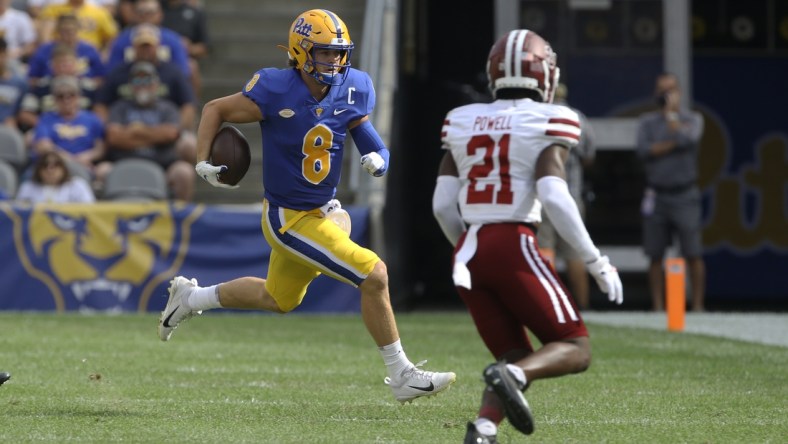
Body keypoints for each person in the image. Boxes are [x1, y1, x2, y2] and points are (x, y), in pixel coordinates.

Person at [157, 9, 456, 404]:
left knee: (279, 298)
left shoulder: (353, 88)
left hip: (319, 208)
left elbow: (371, 139)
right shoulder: (275, 88)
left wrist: (379, 160)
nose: (334, 61)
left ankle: (190, 298)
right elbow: (215, 109)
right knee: (375, 275)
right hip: (288, 218)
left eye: (339, 53)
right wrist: (201, 160)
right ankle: (402, 374)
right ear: (300, 52)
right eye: (324, 53)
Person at [431, 29, 623, 442]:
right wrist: (594, 260)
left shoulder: (462, 119)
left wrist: (467, 247)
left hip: (469, 248)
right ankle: (512, 376)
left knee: (513, 352)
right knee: (575, 347)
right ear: (546, 75)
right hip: (513, 240)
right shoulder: (552, 118)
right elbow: (553, 193)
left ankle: (483, 429)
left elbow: (443, 206)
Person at [636, 72, 705, 312]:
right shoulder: (647, 122)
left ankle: (697, 306)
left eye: (670, 91)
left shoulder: (693, 119)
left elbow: (688, 140)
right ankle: (658, 306)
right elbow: (645, 151)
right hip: (657, 194)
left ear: (679, 93)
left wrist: (673, 116)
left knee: (693, 252)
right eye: (661, 91)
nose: (665, 96)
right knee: (655, 254)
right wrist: (674, 143)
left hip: (685, 194)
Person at [537, 83, 596, 310]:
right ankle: (583, 306)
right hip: (570, 194)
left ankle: (547, 305)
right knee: (575, 254)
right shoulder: (576, 117)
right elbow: (590, 155)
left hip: (542, 194)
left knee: (545, 252)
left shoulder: (536, 116)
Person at [101, 60, 194, 200]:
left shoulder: (168, 108)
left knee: (184, 172)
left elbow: (170, 134)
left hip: (163, 164)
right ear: (131, 85)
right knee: (102, 171)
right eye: (138, 80)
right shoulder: (119, 108)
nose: (143, 84)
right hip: (122, 162)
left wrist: (136, 131)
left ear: (156, 84)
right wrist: (154, 136)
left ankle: (179, 218)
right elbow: (114, 137)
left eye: (148, 79)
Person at [29, 75, 105, 182]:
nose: (66, 100)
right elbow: (43, 146)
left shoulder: (93, 119)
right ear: (54, 99)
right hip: (53, 166)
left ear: (79, 97)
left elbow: (100, 148)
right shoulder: (46, 119)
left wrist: (87, 157)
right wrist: (71, 160)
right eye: (61, 96)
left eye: (71, 95)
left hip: (86, 164)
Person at [16, 150, 95, 202]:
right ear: (38, 170)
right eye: (45, 165)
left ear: (63, 169)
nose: (50, 170)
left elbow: (90, 211)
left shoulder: (77, 186)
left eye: (56, 165)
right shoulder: (28, 188)